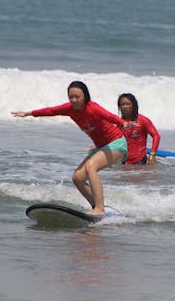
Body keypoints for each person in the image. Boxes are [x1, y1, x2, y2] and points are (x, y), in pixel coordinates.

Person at [11, 81, 129, 216]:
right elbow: (51, 110)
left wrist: (123, 123)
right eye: (71, 97)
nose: (74, 100)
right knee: (78, 178)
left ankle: (100, 209)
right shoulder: (70, 109)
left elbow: (110, 116)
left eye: (77, 97)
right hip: (102, 147)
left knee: (91, 166)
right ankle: (97, 206)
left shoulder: (93, 108)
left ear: (85, 96)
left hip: (117, 143)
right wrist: (28, 113)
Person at [117, 93, 161, 165]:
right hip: (124, 162)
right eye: (122, 104)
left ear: (134, 105)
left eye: (128, 104)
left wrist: (152, 154)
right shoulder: (119, 123)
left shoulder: (143, 120)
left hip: (140, 162)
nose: (125, 107)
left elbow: (156, 136)